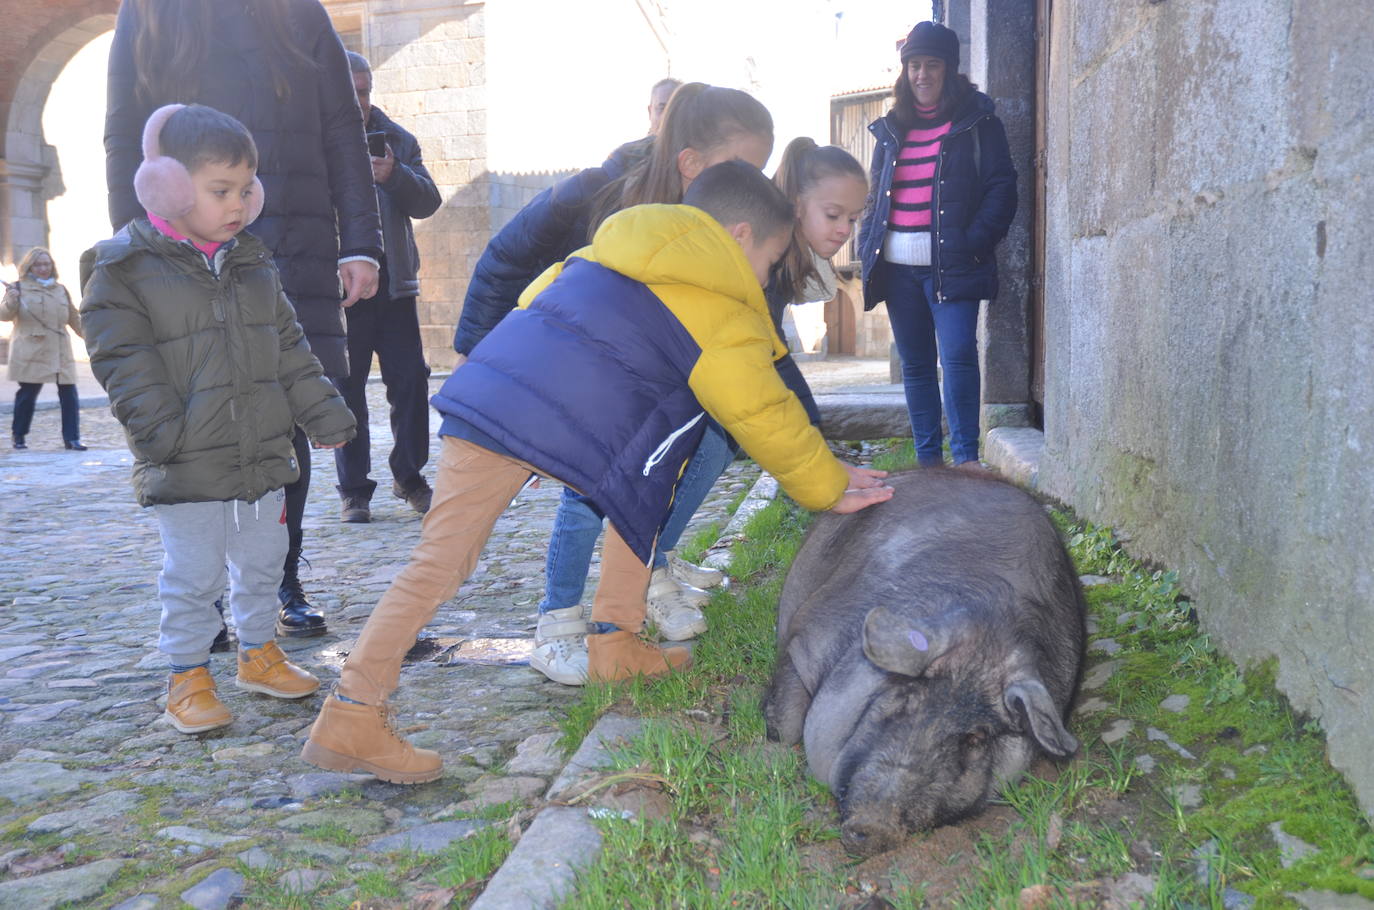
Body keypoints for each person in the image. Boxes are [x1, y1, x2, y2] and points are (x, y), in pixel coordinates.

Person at [300, 160, 893, 783]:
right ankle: (352, 713)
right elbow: (761, 411)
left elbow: (536, 304)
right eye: (771, 262)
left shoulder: (608, 248)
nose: (766, 277)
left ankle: (616, 643)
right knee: (468, 555)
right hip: (539, 421)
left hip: (495, 400)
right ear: (740, 236)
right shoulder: (719, 303)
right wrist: (826, 485)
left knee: (630, 495)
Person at [449, 83, 781, 682]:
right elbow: (505, 255)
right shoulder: (601, 191)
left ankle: (644, 581)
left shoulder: (711, 224)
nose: (751, 187)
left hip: (653, 376)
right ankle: (556, 624)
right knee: (588, 490)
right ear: (693, 162)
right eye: (743, 169)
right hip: (583, 370)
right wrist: (478, 346)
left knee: (700, 450)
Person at [104, 0, 383, 639]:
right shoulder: (145, 10)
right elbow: (124, 132)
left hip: (297, 236)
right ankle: (203, 595)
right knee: (199, 417)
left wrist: (360, 242)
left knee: (284, 412)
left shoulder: (295, 10)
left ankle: (277, 578)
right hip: (178, 247)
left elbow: (342, 127)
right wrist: (132, 247)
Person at [80, 104, 357, 734]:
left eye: (245, 189)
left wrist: (321, 410)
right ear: (167, 188)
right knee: (195, 571)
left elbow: (289, 348)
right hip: (186, 454)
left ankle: (259, 653)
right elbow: (123, 362)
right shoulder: (122, 269)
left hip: (261, 450)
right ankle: (188, 674)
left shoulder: (252, 263)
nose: (238, 204)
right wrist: (163, 437)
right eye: (220, 190)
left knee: (265, 558)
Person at [857, 20, 1017, 469]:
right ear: (904, 72)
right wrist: (866, 241)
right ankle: (929, 463)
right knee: (916, 366)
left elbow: (1002, 187)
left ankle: (966, 459)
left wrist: (972, 241)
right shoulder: (889, 130)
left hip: (953, 264)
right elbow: (876, 193)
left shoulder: (978, 123)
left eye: (931, 65)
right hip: (898, 269)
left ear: (949, 69)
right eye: (913, 66)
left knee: (960, 356)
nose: (922, 74)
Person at [333, 52, 442, 524]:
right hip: (343, 292)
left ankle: (409, 476)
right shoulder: (318, 142)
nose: (356, 101)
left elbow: (429, 201)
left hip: (395, 287)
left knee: (412, 382)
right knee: (347, 390)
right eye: (347, 91)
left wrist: (393, 175)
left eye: (362, 90)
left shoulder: (398, 139)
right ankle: (354, 490)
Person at [2, 247, 85, 451]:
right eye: (38, 265)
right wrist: (11, 300)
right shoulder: (18, 288)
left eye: (46, 264)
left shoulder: (61, 289)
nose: (43, 268)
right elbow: (3, 315)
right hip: (31, 350)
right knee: (28, 395)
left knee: (69, 395)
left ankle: (72, 439)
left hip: (60, 350)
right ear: (29, 266)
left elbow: (74, 319)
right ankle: (19, 436)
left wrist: (94, 339)